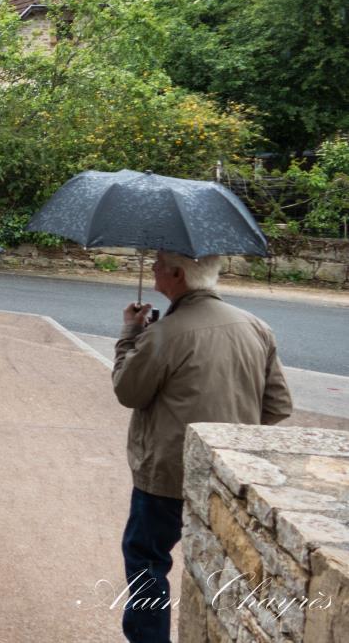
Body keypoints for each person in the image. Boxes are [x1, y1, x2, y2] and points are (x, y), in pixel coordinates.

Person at [112, 251, 292, 643]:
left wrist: (130, 334)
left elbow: (128, 391)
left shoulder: (164, 334)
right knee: (221, 564)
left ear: (177, 275)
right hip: (231, 473)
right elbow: (278, 407)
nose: (154, 269)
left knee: (147, 560)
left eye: (159, 264)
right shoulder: (257, 327)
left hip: (167, 474)